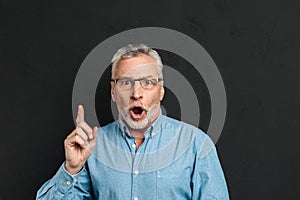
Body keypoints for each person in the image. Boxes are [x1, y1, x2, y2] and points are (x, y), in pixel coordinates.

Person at [36, 44, 230, 199]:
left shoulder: (195, 144)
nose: (136, 94)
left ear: (161, 91)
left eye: (147, 82)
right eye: (126, 83)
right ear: (113, 91)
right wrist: (72, 169)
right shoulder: (92, 146)